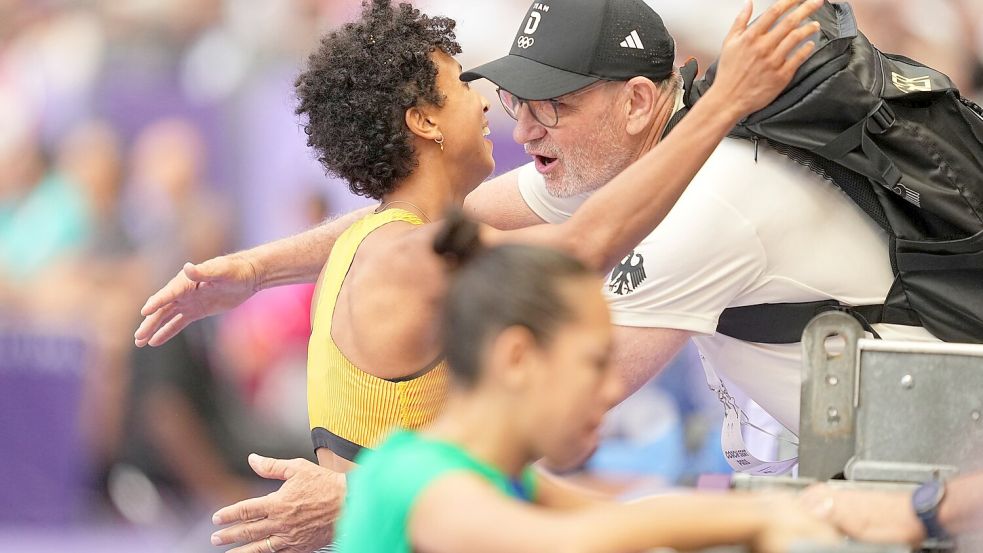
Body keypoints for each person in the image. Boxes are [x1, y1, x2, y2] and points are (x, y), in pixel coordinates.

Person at [135, 0, 829, 550]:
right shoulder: (414, 255)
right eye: (462, 85)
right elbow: (585, 244)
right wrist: (723, 102)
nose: (490, 106)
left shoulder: (393, 239)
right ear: (425, 121)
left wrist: (256, 268)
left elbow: (557, 498)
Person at [334, 212, 838, 552]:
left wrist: (802, 509)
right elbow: (573, 541)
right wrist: (762, 515)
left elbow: (628, 516)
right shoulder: (414, 478)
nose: (610, 390)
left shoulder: (509, 479)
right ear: (517, 357)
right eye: (594, 364)